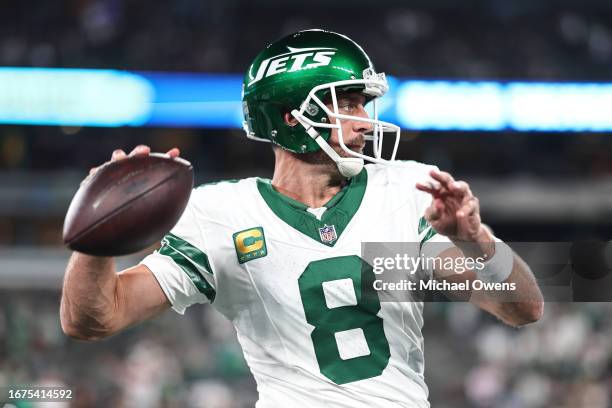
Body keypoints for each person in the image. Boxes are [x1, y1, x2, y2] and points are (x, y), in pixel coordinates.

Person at [61, 29, 544, 407]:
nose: (364, 120)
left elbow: (521, 308)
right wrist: (96, 236)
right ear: (290, 116)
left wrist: (477, 241)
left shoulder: (407, 191)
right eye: (347, 103)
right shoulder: (221, 215)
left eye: (364, 103)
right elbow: (94, 319)